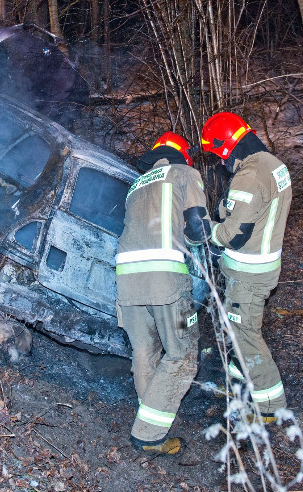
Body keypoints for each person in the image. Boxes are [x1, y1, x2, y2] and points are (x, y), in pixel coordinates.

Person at [116, 132, 210, 455]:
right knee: (182, 354)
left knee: (144, 351)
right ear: (182, 155)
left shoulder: (135, 185)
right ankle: (148, 435)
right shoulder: (185, 173)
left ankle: (152, 415)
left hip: (127, 283)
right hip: (166, 281)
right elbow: (198, 229)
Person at [200, 112, 292, 423]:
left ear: (227, 146)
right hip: (261, 266)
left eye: (218, 154)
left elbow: (233, 235)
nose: (219, 162)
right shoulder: (273, 165)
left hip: (249, 274)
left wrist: (206, 229)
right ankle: (240, 380)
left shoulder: (249, 176)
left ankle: (269, 407)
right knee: (239, 327)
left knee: (246, 335)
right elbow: (255, 213)